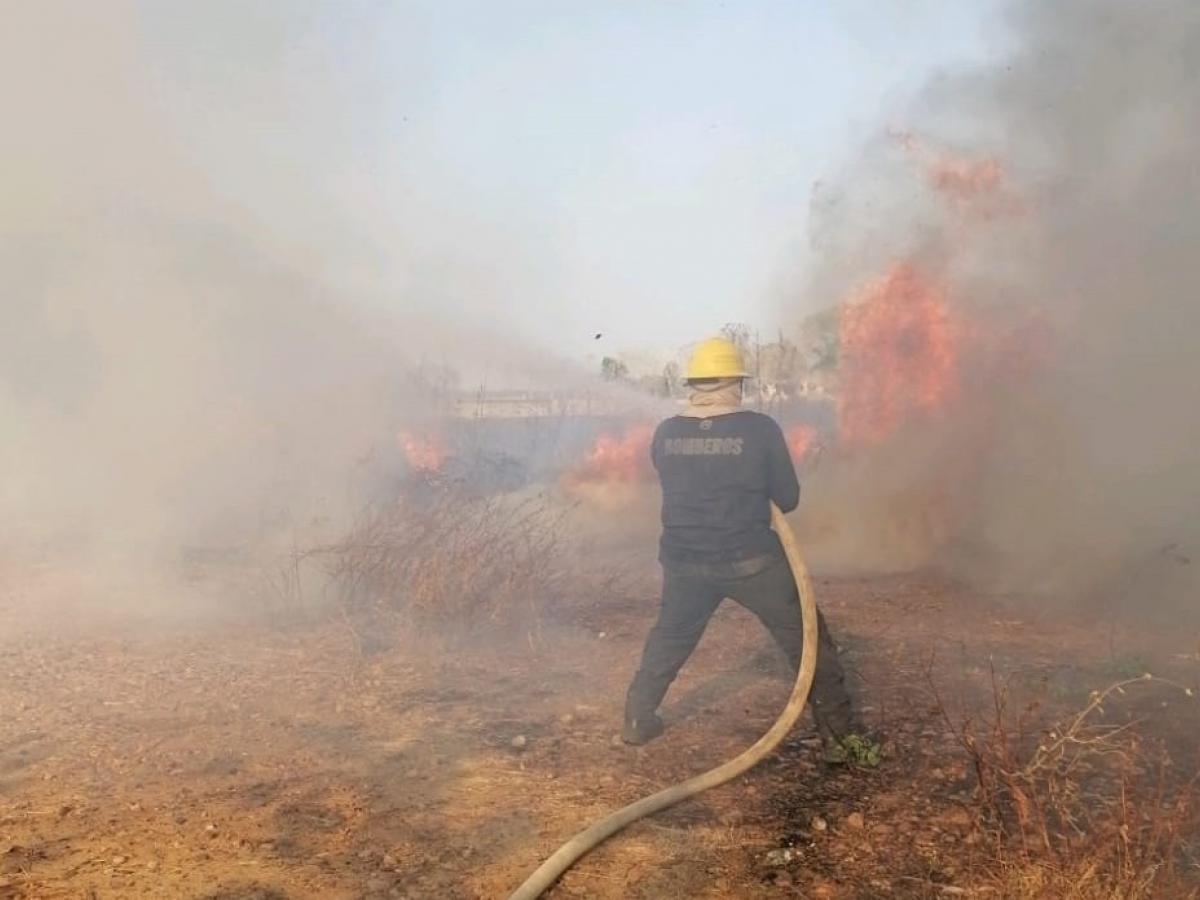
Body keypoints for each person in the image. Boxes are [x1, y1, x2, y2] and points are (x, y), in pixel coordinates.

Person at [622, 336, 870, 762]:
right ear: (734, 382)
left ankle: (636, 720)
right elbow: (787, 499)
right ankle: (844, 740)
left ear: (694, 382)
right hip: (750, 562)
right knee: (808, 639)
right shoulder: (759, 429)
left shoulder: (667, 432)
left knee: (670, 639)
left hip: (683, 561)